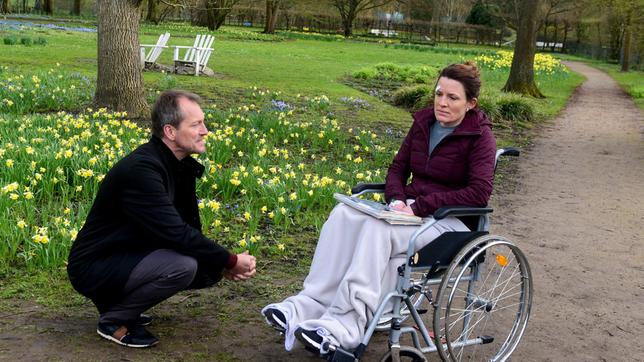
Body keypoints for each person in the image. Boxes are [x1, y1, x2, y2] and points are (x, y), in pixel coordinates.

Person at [261, 62, 496, 355]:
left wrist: (419, 206)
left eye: (453, 97)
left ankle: (344, 326)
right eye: (439, 94)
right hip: (409, 212)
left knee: (376, 229)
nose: (442, 103)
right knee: (343, 215)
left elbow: (479, 192)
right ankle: (307, 305)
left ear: (471, 103)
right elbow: (398, 168)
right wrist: (396, 199)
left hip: (450, 222)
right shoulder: (424, 123)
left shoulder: (480, 137)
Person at [67, 90, 256, 348]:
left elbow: (186, 228)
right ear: (170, 132)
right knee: (183, 266)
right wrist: (230, 260)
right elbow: (176, 232)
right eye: (196, 124)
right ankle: (114, 319)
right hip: (95, 265)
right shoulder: (142, 170)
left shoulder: (178, 165)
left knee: (200, 265)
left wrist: (218, 264)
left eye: (204, 122)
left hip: (127, 254)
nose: (205, 131)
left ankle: (122, 306)